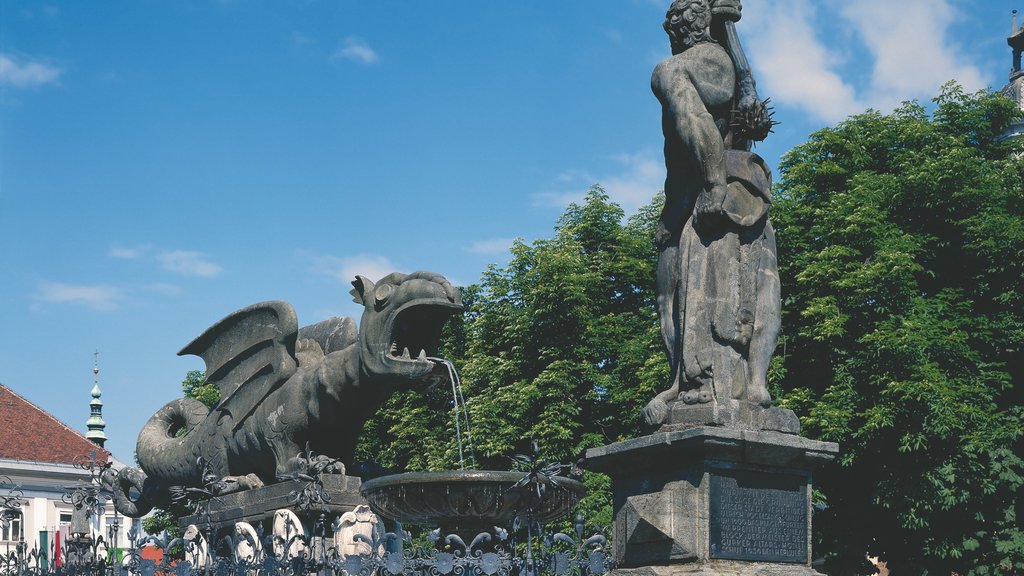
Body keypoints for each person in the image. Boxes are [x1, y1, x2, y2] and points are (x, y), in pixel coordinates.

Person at [644, 0, 778, 426]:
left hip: (719, 186)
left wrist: (714, 183)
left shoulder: (700, 62)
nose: (672, 27)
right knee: (666, 291)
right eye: (671, 21)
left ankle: (754, 382)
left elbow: (729, 34)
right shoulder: (699, 65)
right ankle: (680, 382)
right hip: (684, 196)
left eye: (680, 20)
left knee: (759, 290)